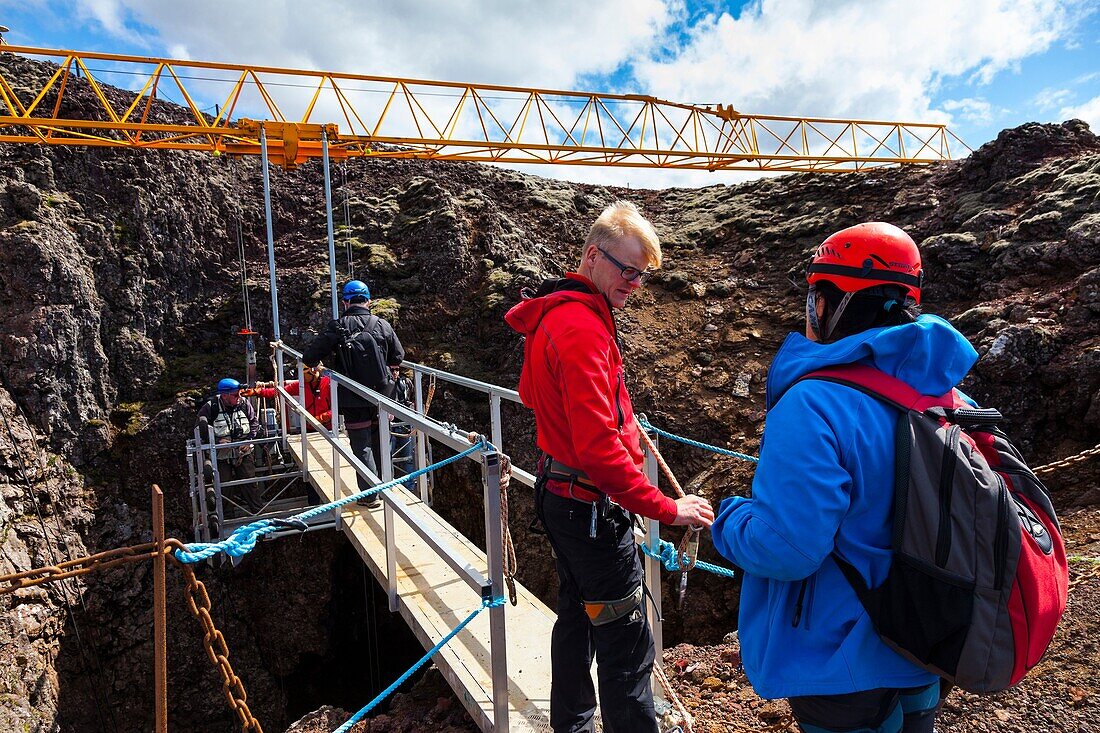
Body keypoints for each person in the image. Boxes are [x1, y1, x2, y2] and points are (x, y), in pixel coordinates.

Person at [711, 222, 979, 733]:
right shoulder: (951, 399)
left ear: (832, 301)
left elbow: (787, 549)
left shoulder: (813, 404)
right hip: (928, 642)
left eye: (815, 294)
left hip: (839, 661)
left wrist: (728, 518)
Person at [505, 200, 714, 733]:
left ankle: (571, 726)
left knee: (576, 618)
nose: (635, 283)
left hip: (560, 496)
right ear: (593, 257)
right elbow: (600, 452)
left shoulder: (555, 315)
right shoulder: (583, 329)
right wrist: (667, 507)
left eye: (641, 274)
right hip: (590, 511)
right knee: (626, 646)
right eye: (628, 270)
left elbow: (531, 395)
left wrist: (607, 411)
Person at [302, 280, 405, 509]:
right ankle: (384, 485)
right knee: (379, 440)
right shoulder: (382, 324)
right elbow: (398, 356)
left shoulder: (338, 327)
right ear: (369, 300)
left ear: (345, 302)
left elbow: (308, 356)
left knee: (362, 444)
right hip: (381, 396)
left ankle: (370, 496)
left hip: (352, 398)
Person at [196, 377, 264, 514]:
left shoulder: (244, 404)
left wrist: (249, 440)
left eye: (239, 394)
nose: (239, 397)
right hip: (221, 456)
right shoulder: (211, 408)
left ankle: (258, 513)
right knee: (224, 486)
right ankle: (227, 516)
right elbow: (200, 431)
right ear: (224, 395)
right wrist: (216, 441)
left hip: (243, 453)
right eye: (235, 395)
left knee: (250, 483)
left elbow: (254, 423)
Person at [246, 362, 333, 431]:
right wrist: (257, 391)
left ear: (314, 372)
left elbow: (338, 408)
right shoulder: (301, 385)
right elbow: (279, 392)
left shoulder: (329, 384)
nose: (303, 377)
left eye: (305, 374)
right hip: (309, 428)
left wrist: (322, 417)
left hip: (329, 428)